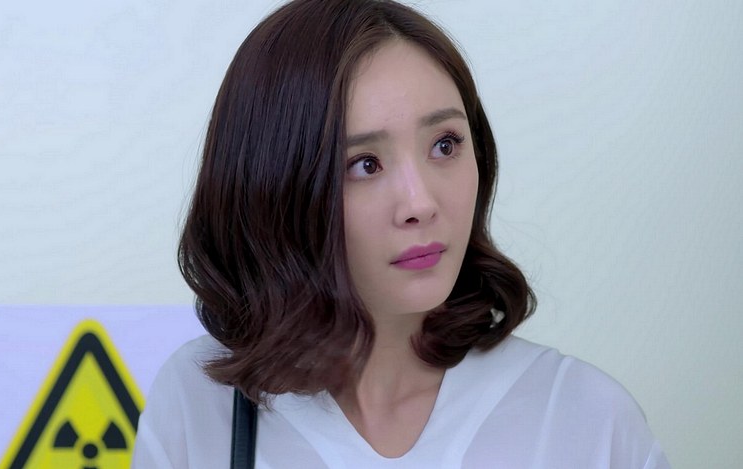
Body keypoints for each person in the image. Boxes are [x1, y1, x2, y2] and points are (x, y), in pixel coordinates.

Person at [132, 0, 671, 467]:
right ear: (275, 188)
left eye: (445, 145)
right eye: (365, 164)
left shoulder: (584, 420)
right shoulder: (201, 403)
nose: (420, 203)